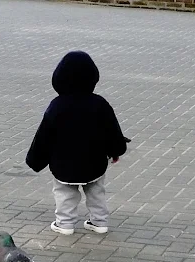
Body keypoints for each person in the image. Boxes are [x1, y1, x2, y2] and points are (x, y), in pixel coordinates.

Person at [26, 51, 127, 235]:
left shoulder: (56, 106)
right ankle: (100, 222)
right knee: (96, 191)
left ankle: (65, 224)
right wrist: (116, 150)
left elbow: (44, 136)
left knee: (65, 193)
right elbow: (111, 130)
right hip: (94, 161)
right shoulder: (100, 104)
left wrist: (35, 160)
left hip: (64, 163)